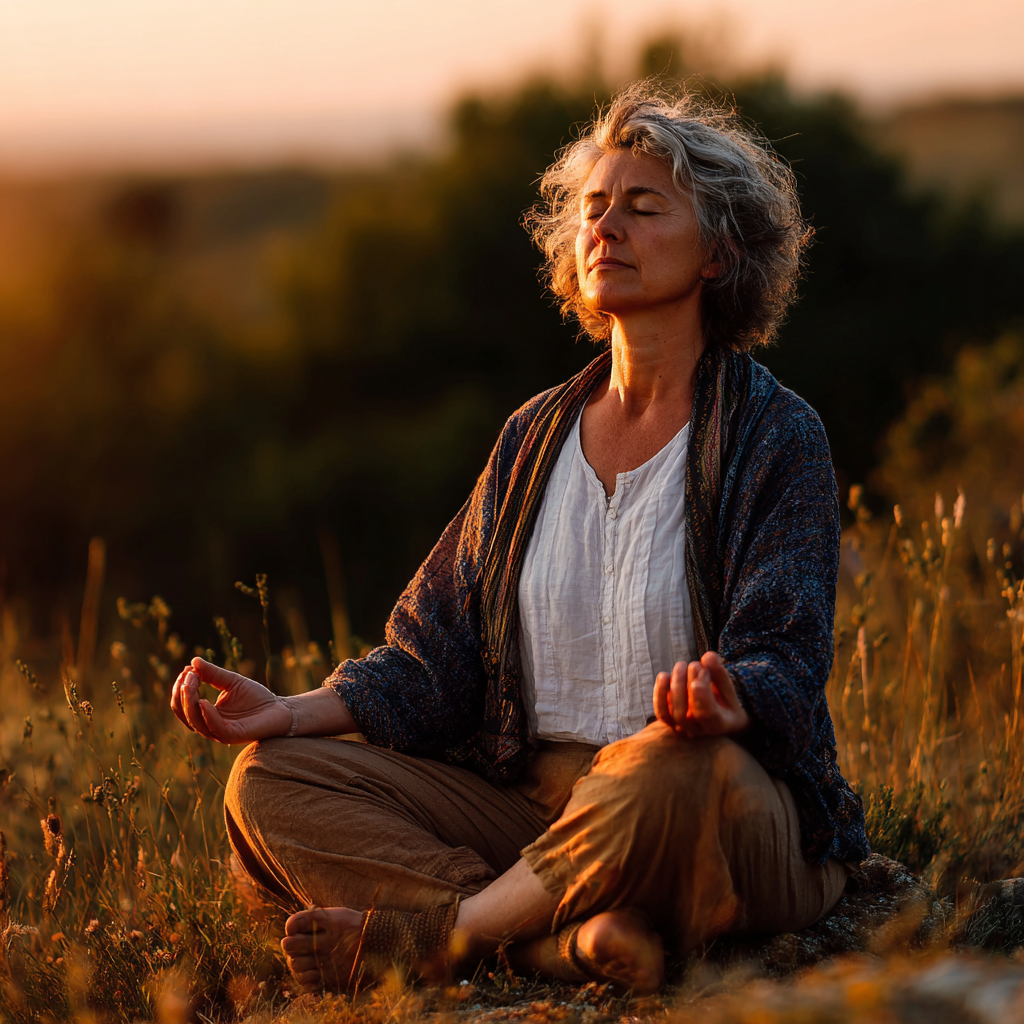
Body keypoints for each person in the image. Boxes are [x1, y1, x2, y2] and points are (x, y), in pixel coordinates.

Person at [170, 82, 868, 994]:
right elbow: (432, 658)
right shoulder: (531, 439)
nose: (606, 226)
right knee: (271, 783)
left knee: (664, 769)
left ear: (720, 253)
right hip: (535, 811)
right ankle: (554, 941)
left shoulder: (778, 435)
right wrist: (290, 711)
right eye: (593, 208)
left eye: (643, 206)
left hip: (708, 803)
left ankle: (446, 934)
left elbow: (785, 656)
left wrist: (728, 700)